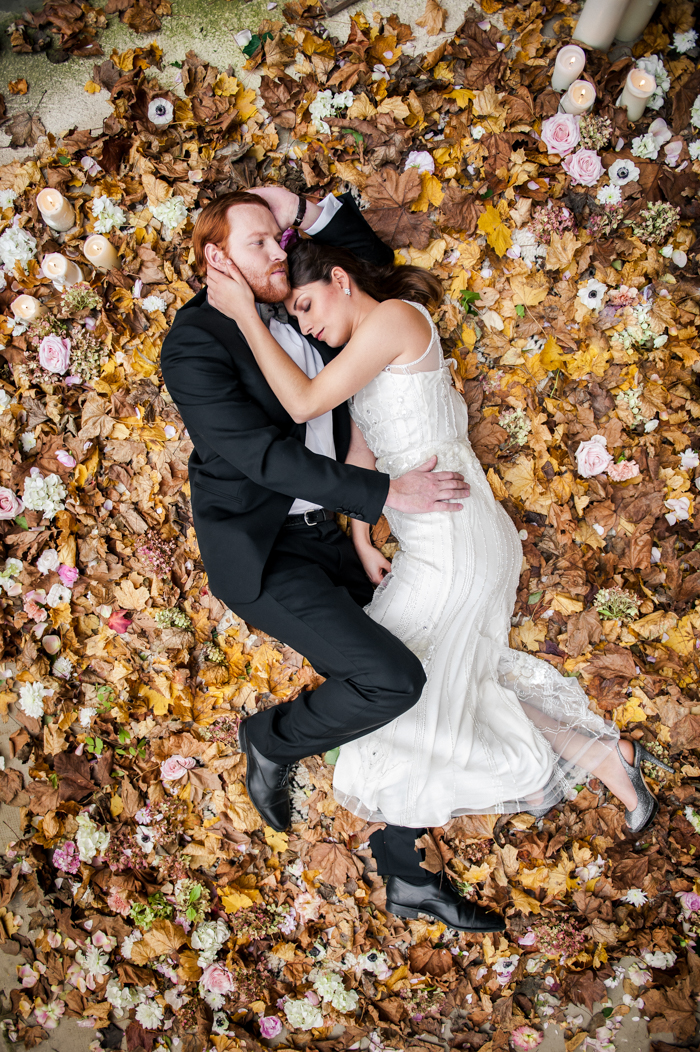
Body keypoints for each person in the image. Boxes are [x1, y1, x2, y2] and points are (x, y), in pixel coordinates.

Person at [203, 233, 674, 874]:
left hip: (453, 540)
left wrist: (242, 316)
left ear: (341, 280)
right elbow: (362, 449)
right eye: (296, 319)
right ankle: (604, 759)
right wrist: (365, 539)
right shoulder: (368, 348)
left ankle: (534, 771)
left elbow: (304, 402)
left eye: (307, 306)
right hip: (446, 537)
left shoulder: (393, 319)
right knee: (456, 678)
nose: (307, 325)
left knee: (393, 686)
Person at [161, 186, 504, 933]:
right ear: (216, 260)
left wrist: (304, 207)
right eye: (259, 244)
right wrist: (385, 496)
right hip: (269, 553)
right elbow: (259, 457)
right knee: (393, 679)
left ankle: (406, 868)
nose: (278, 254)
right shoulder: (193, 343)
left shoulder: (300, 304)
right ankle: (269, 738)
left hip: (340, 532)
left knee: (436, 668)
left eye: (279, 241)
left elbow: (368, 272)